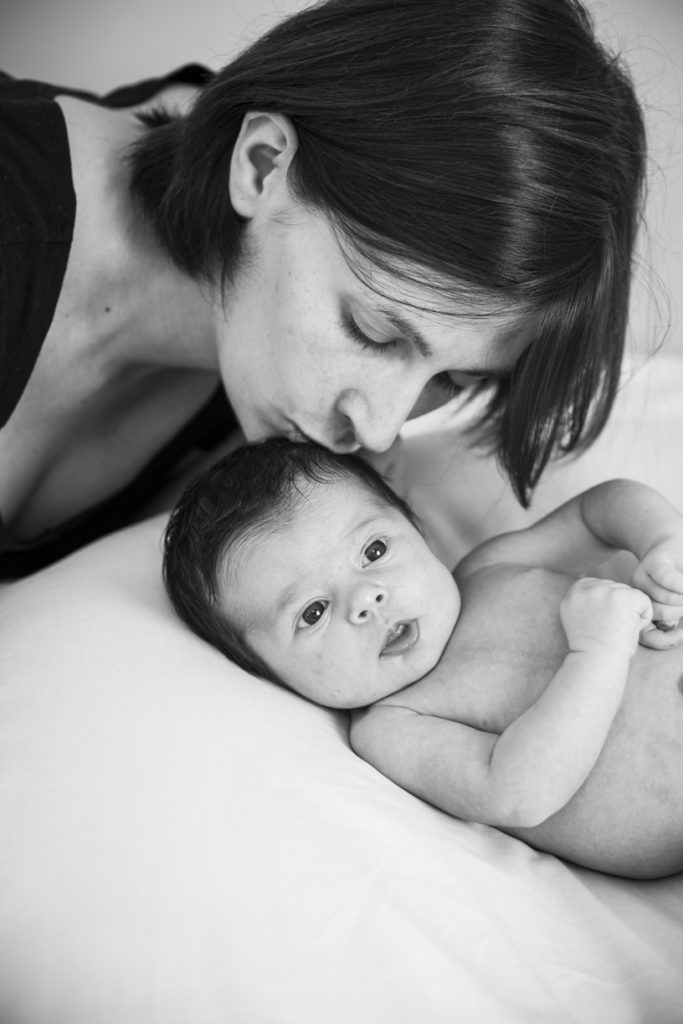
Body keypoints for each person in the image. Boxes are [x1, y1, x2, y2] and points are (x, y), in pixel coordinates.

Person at [0, 0, 647, 579]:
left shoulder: (258, 352)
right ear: (259, 165)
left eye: (451, 380)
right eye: (370, 331)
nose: (379, 428)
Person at [163, 438, 683, 879]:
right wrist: (599, 651)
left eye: (373, 551)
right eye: (314, 611)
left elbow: (600, 512)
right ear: (268, 674)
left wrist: (661, 544)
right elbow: (518, 792)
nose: (366, 598)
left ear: (417, 528)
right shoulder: (393, 727)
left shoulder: (490, 568)